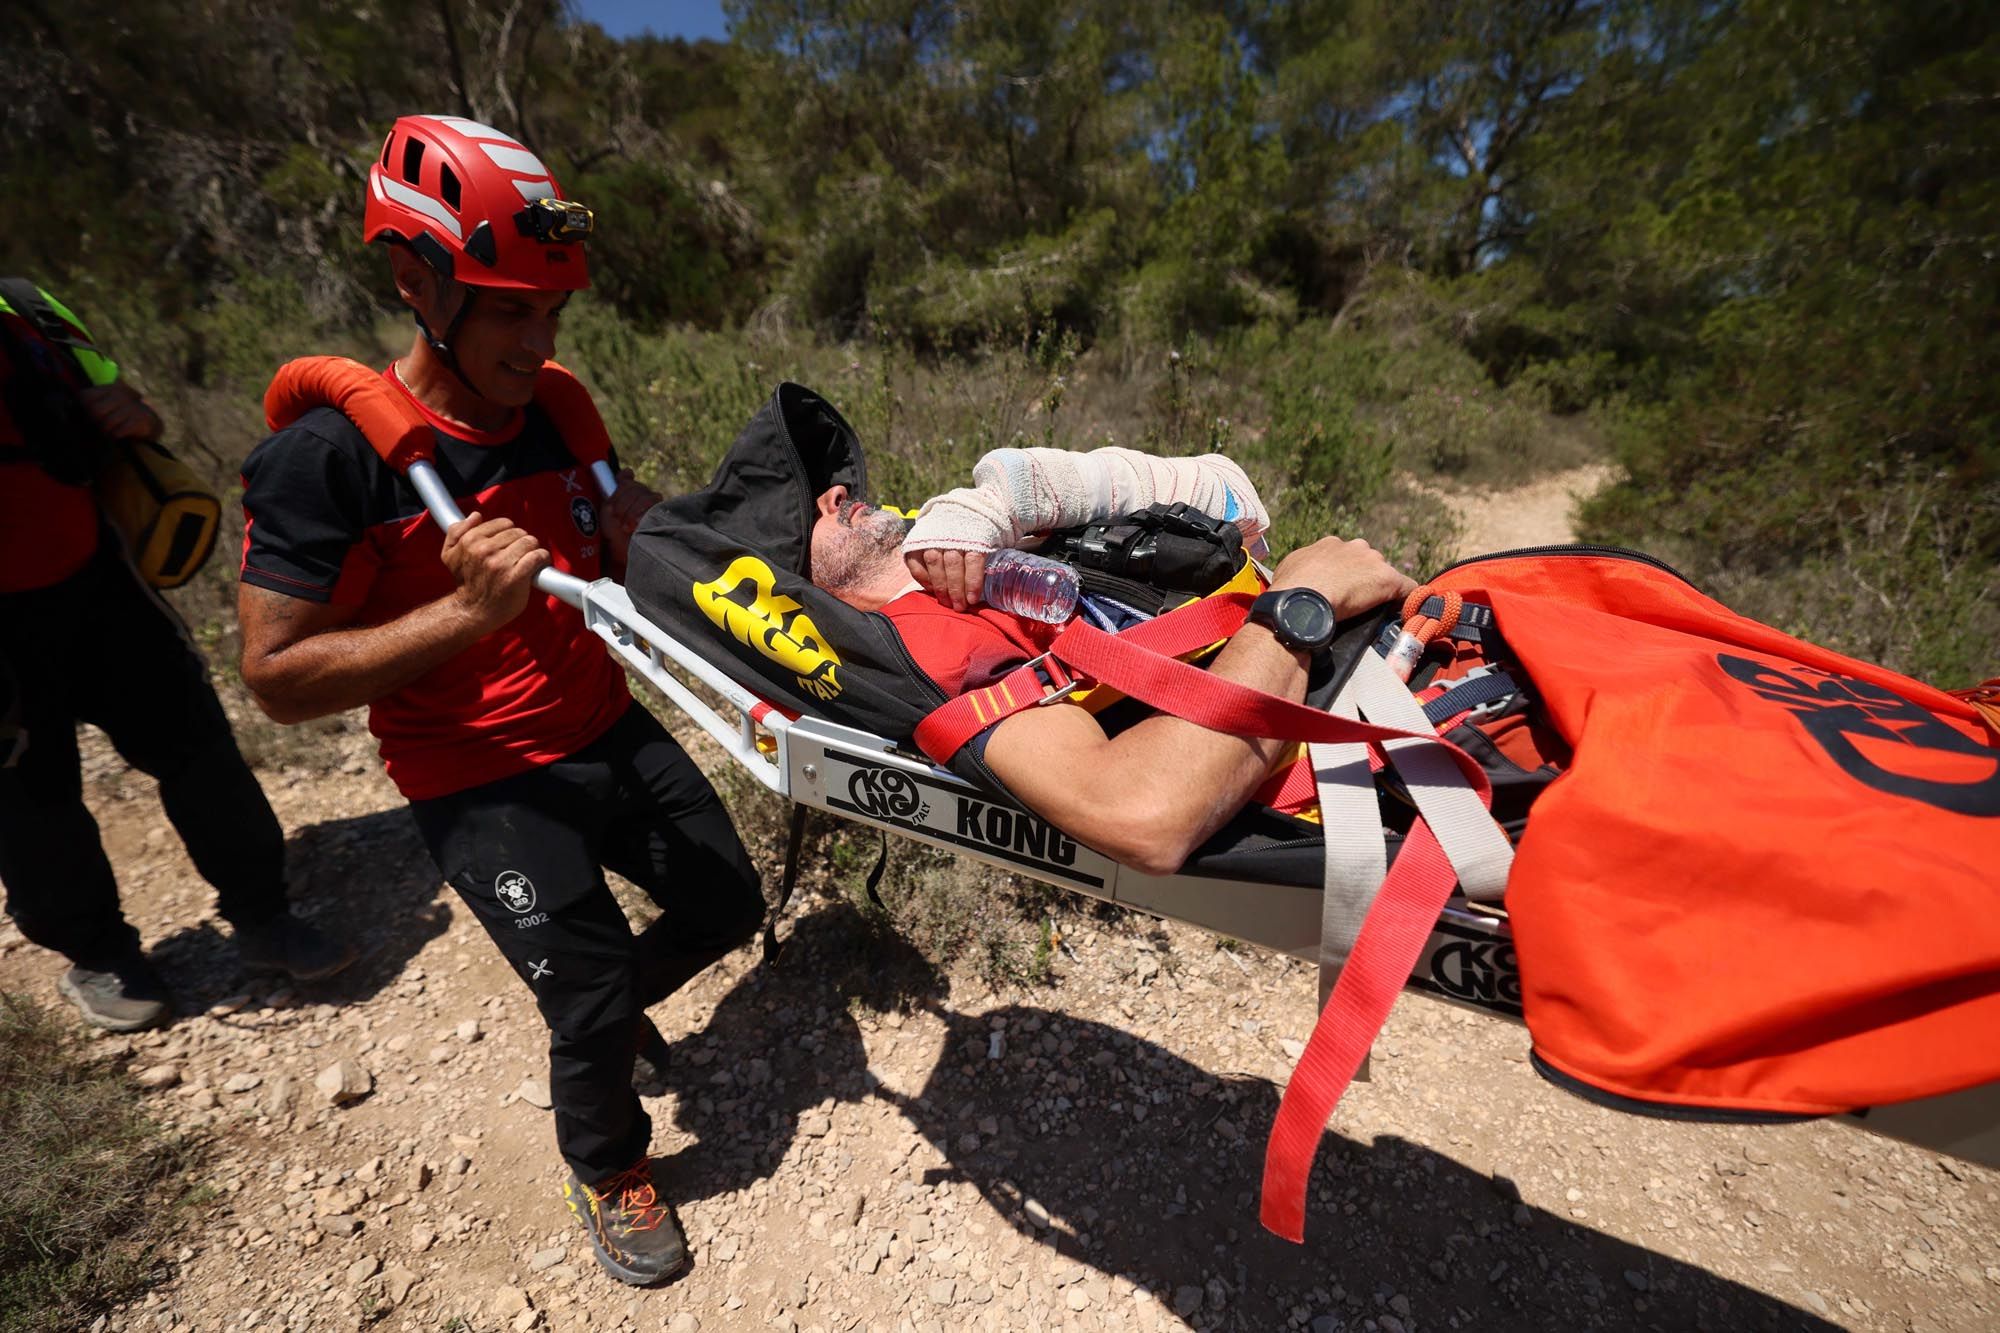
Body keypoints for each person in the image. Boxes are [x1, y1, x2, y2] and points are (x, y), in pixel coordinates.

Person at [234, 115, 763, 1289]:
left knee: (725, 902)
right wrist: (462, 615)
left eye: (551, 313)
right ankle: (607, 1158)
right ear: (416, 281)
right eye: (511, 311)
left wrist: (661, 532)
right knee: (581, 996)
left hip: (602, 724)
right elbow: (273, 679)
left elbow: (617, 535)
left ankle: (606, 1015)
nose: (538, 341)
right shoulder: (330, 460)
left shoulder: (558, 408)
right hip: (473, 774)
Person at [0, 281, 356, 1034]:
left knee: (198, 749)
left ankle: (263, 913)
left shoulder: (26, 310)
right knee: (33, 797)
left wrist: (138, 416)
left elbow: (120, 405)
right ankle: (99, 953)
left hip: (101, 583)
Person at [805, 445, 1416, 876]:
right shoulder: (923, 653)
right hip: (1379, 736)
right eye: (807, 513)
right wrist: (1300, 601)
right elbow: (1147, 815)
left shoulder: (973, 534)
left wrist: (1002, 497)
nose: (839, 493)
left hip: (1391, 638)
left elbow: (1228, 490)